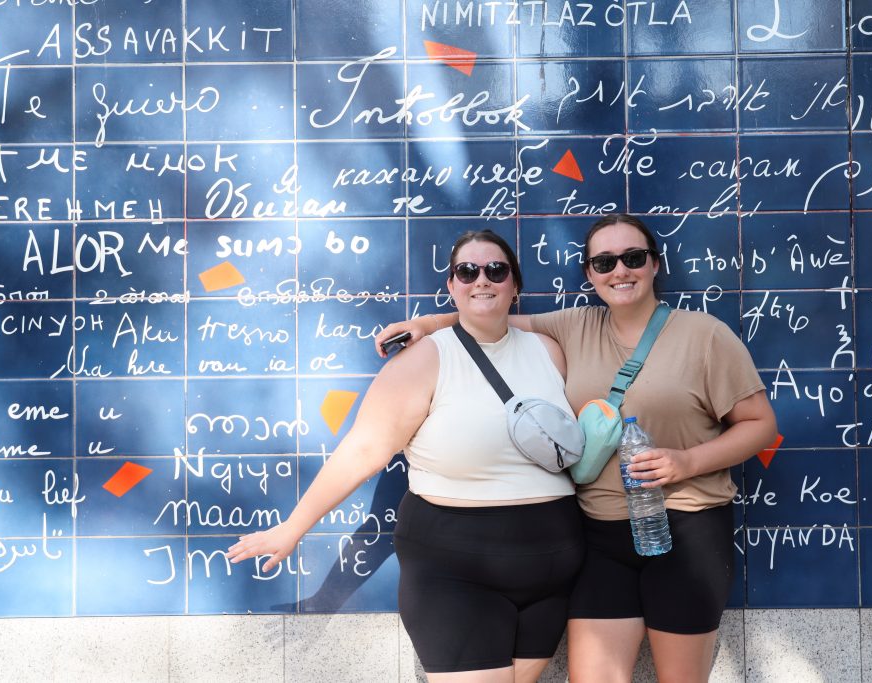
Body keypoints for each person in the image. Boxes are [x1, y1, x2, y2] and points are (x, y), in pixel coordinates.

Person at [375, 214, 777, 683]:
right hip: (600, 537)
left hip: (687, 530)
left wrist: (686, 461)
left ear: (654, 265)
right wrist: (425, 324)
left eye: (633, 257)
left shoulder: (705, 335)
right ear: (589, 274)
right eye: (604, 262)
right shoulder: (572, 326)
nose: (619, 271)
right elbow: (490, 312)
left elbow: (760, 425)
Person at [228, 229, 585, 683]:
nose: (482, 280)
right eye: (467, 271)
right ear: (452, 286)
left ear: (515, 285)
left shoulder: (550, 351)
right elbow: (364, 449)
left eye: (496, 270)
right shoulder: (423, 360)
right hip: (459, 572)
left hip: (550, 573)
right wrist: (293, 527)